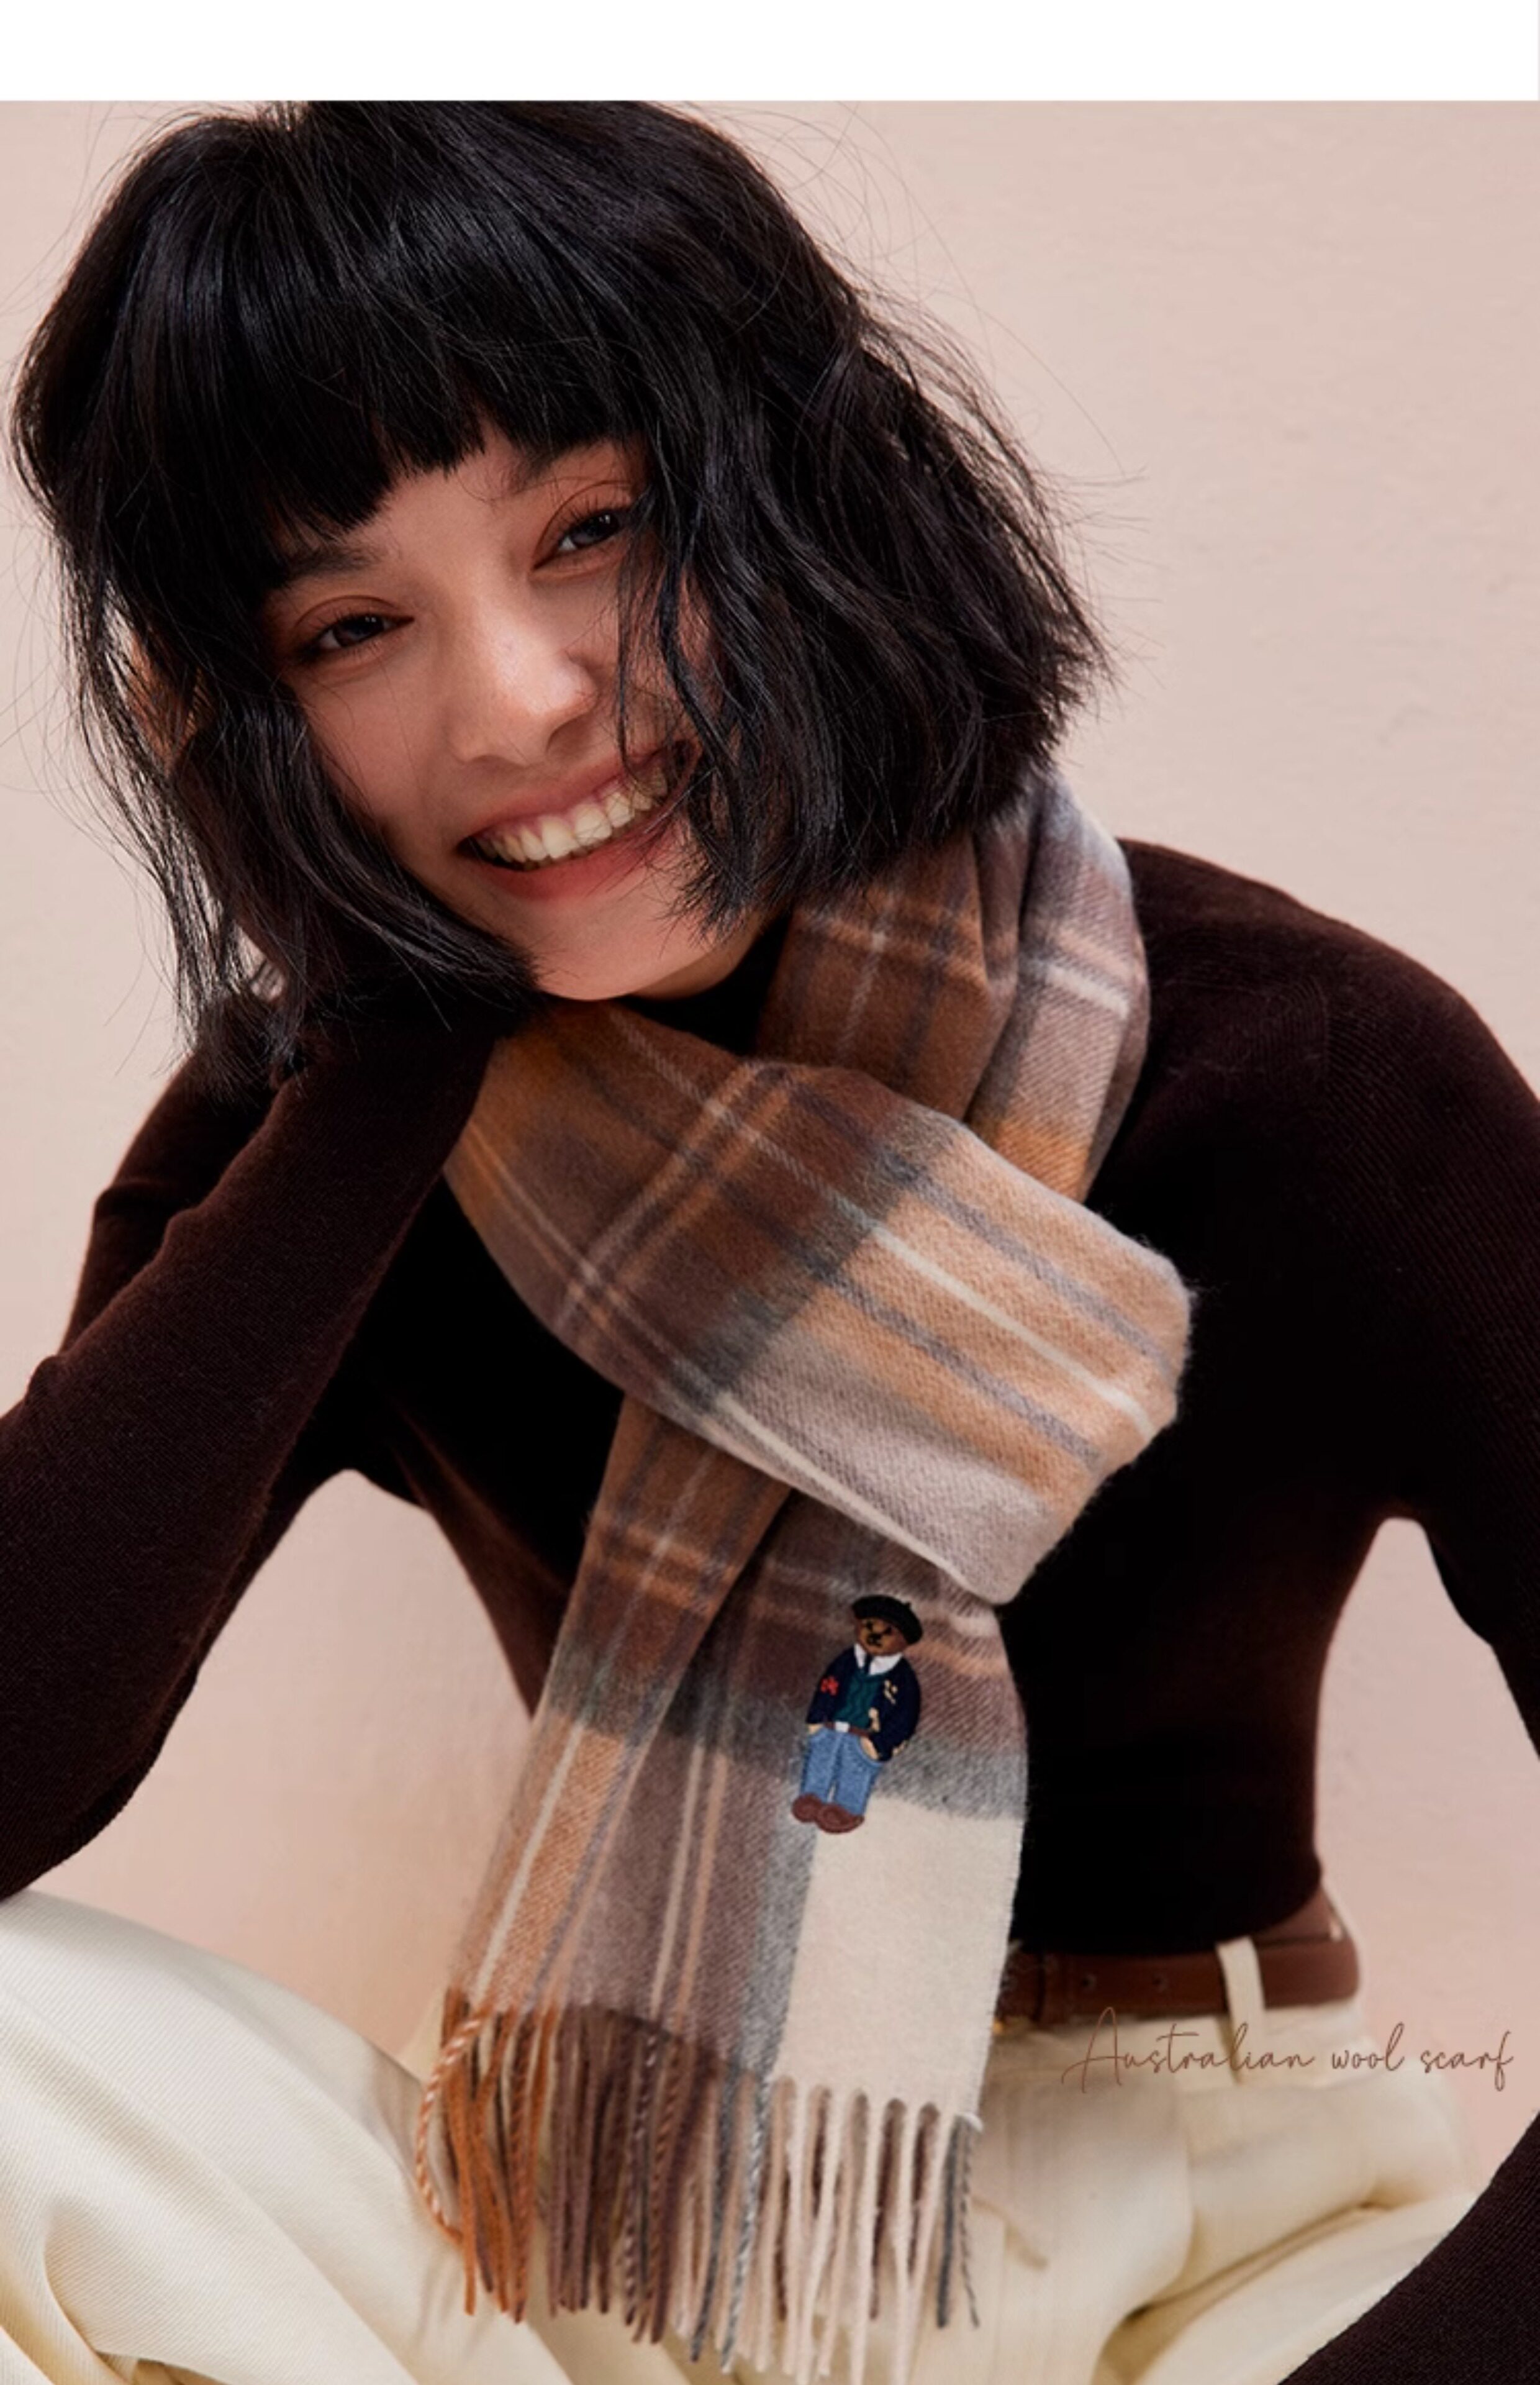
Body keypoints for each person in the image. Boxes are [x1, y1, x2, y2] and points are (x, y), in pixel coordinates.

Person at [1, 99, 1536, 2385]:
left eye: (591, 529)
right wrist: (383, 1023)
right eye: (351, 626)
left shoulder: (1306, 1073)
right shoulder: (316, 1135)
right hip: (604, 2227)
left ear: (810, 486)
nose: (516, 700)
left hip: (1227, 2230)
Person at [793, 1596, 925, 1833]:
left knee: (855, 1772)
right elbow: (827, 1687)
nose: (875, 1635)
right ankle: (812, 1797)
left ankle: (847, 1810)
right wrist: (816, 1719)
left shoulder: (904, 1679)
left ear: (904, 1640)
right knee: (820, 1761)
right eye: (869, 1626)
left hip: (864, 1737)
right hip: (830, 1728)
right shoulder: (845, 1662)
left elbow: (905, 1717)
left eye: (888, 1632)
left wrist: (880, 1744)